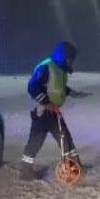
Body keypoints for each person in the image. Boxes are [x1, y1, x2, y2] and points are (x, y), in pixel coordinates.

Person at [20, 41, 81, 180]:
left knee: (64, 137)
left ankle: (73, 166)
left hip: (53, 111)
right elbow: (32, 87)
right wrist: (46, 103)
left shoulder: (59, 69)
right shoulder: (46, 68)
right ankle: (26, 172)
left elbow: (57, 87)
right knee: (36, 141)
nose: (71, 62)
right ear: (62, 56)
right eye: (69, 59)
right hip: (42, 112)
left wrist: (72, 92)